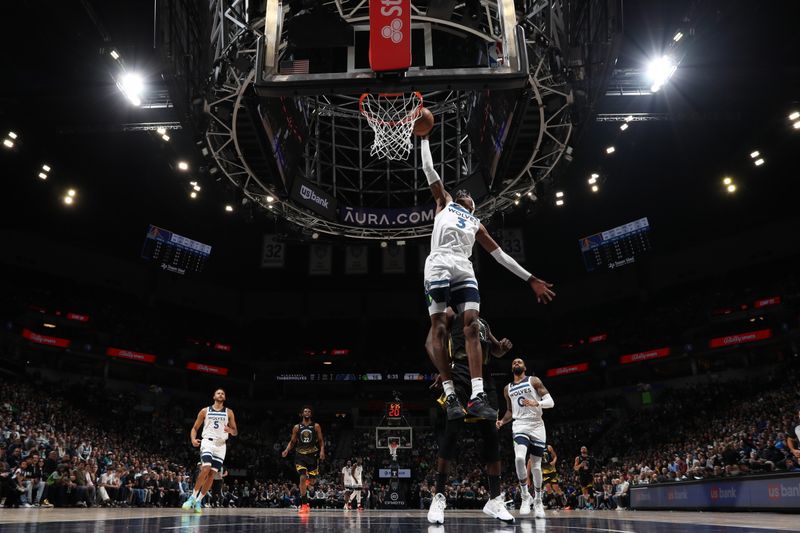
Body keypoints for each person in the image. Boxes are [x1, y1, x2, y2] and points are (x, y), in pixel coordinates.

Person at [419, 136, 556, 421]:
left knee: (472, 324)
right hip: (440, 261)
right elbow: (431, 172)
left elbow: (500, 255)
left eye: (469, 194)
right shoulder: (444, 202)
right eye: (463, 192)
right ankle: (451, 394)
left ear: (473, 204)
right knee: (440, 326)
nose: (465, 193)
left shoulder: (476, 223)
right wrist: (424, 138)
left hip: (463, 265)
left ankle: (477, 395)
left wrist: (530, 278)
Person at [424, 307, 515, 525]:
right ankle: (438, 496)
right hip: (459, 374)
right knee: (452, 432)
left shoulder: (482, 321)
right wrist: (444, 371)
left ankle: (494, 499)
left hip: (485, 378)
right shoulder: (449, 313)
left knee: (491, 436)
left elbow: (496, 351)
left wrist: (502, 347)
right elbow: (430, 344)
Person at [497, 358, 554, 518]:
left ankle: (538, 499)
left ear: (525, 367)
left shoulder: (533, 381)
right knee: (520, 458)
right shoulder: (507, 388)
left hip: (537, 425)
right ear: (511, 368)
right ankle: (524, 496)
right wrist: (502, 421)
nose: (516, 363)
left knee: (536, 466)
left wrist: (537, 403)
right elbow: (510, 410)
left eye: (519, 362)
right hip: (520, 424)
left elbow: (551, 402)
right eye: (514, 362)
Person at [182, 388, 238, 514]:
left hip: (221, 445)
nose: (221, 394)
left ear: (225, 397)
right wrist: (192, 439)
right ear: (214, 396)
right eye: (218, 393)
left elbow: (235, 431)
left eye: (223, 393)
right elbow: (195, 428)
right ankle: (192, 497)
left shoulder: (229, 412)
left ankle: (199, 501)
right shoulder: (204, 411)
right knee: (205, 468)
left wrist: (231, 431)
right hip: (207, 441)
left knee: (212, 474)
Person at [281, 406, 325, 514]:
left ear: (311, 414)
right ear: (302, 413)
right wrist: (286, 450)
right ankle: (304, 505)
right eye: (305, 411)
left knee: (312, 482)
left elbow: (320, 440)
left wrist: (322, 451)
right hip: (300, 455)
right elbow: (292, 442)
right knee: (302, 478)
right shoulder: (297, 427)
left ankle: (307, 482)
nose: (307, 412)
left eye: (309, 411)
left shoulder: (316, 426)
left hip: (312, 455)